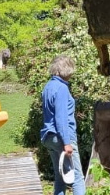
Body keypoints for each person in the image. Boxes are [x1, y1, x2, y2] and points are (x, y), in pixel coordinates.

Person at [41, 55, 85, 195]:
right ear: (67, 71)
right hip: (62, 137)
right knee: (77, 178)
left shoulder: (48, 86)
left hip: (49, 137)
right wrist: (67, 143)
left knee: (60, 177)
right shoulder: (62, 88)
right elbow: (61, 119)